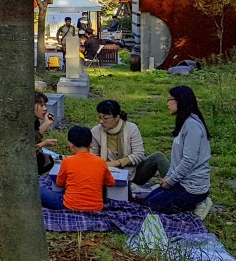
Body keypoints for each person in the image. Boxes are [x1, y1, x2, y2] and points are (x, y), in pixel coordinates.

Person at [141, 86, 211, 214]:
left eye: (170, 99)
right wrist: (169, 176)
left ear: (180, 101)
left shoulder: (193, 126)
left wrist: (171, 181)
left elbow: (189, 160)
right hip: (181, 181)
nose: (167, 103)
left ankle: (197, 203)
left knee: (152, 207)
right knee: (147, 201)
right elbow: (178, 158)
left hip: (192, 187)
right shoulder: (185, 122)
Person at [89, 100, 170, 186]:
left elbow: (138, 155)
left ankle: (173, 185)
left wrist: (116, 163)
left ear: (117, 117)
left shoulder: (131, 128)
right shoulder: (95, 132)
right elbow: (93, 158)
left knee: (158, 157)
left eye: (105, 118)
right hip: (106, 175)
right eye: (99, 117)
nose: (101, 121)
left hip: (133, 173)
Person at [40, 126, 115, 211]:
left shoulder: (67, 161)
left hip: (70, 205)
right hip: (96, 207)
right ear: (91, 144)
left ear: (71, 145)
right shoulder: (101, 162)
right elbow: (111, 182)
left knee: (39, 191)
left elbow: (59, 183)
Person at [34, 92, 59, 175]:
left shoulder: (34, 121)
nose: (45, 108)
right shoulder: (23, 124)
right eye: (41, 105)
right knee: (42, 160)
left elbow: (35, 137)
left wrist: (47, 123)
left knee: (48, 159)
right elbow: (26, 150)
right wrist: (44, 143)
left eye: (45, 105)